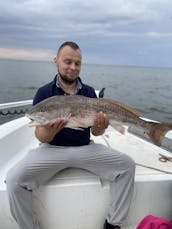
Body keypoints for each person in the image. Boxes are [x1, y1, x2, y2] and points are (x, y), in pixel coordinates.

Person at [6, 41, 135, 229]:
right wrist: (49, 132)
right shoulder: (44, 93)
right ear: (56, 61)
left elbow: (96, 132)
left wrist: (101, 127)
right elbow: (41, 136)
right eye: (68, 62)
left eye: (78, 63)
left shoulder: (89, 92)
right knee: (14, 180)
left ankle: (113, 223)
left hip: (86, 149)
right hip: (52, 150)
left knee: (127, 166)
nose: (73, 67)